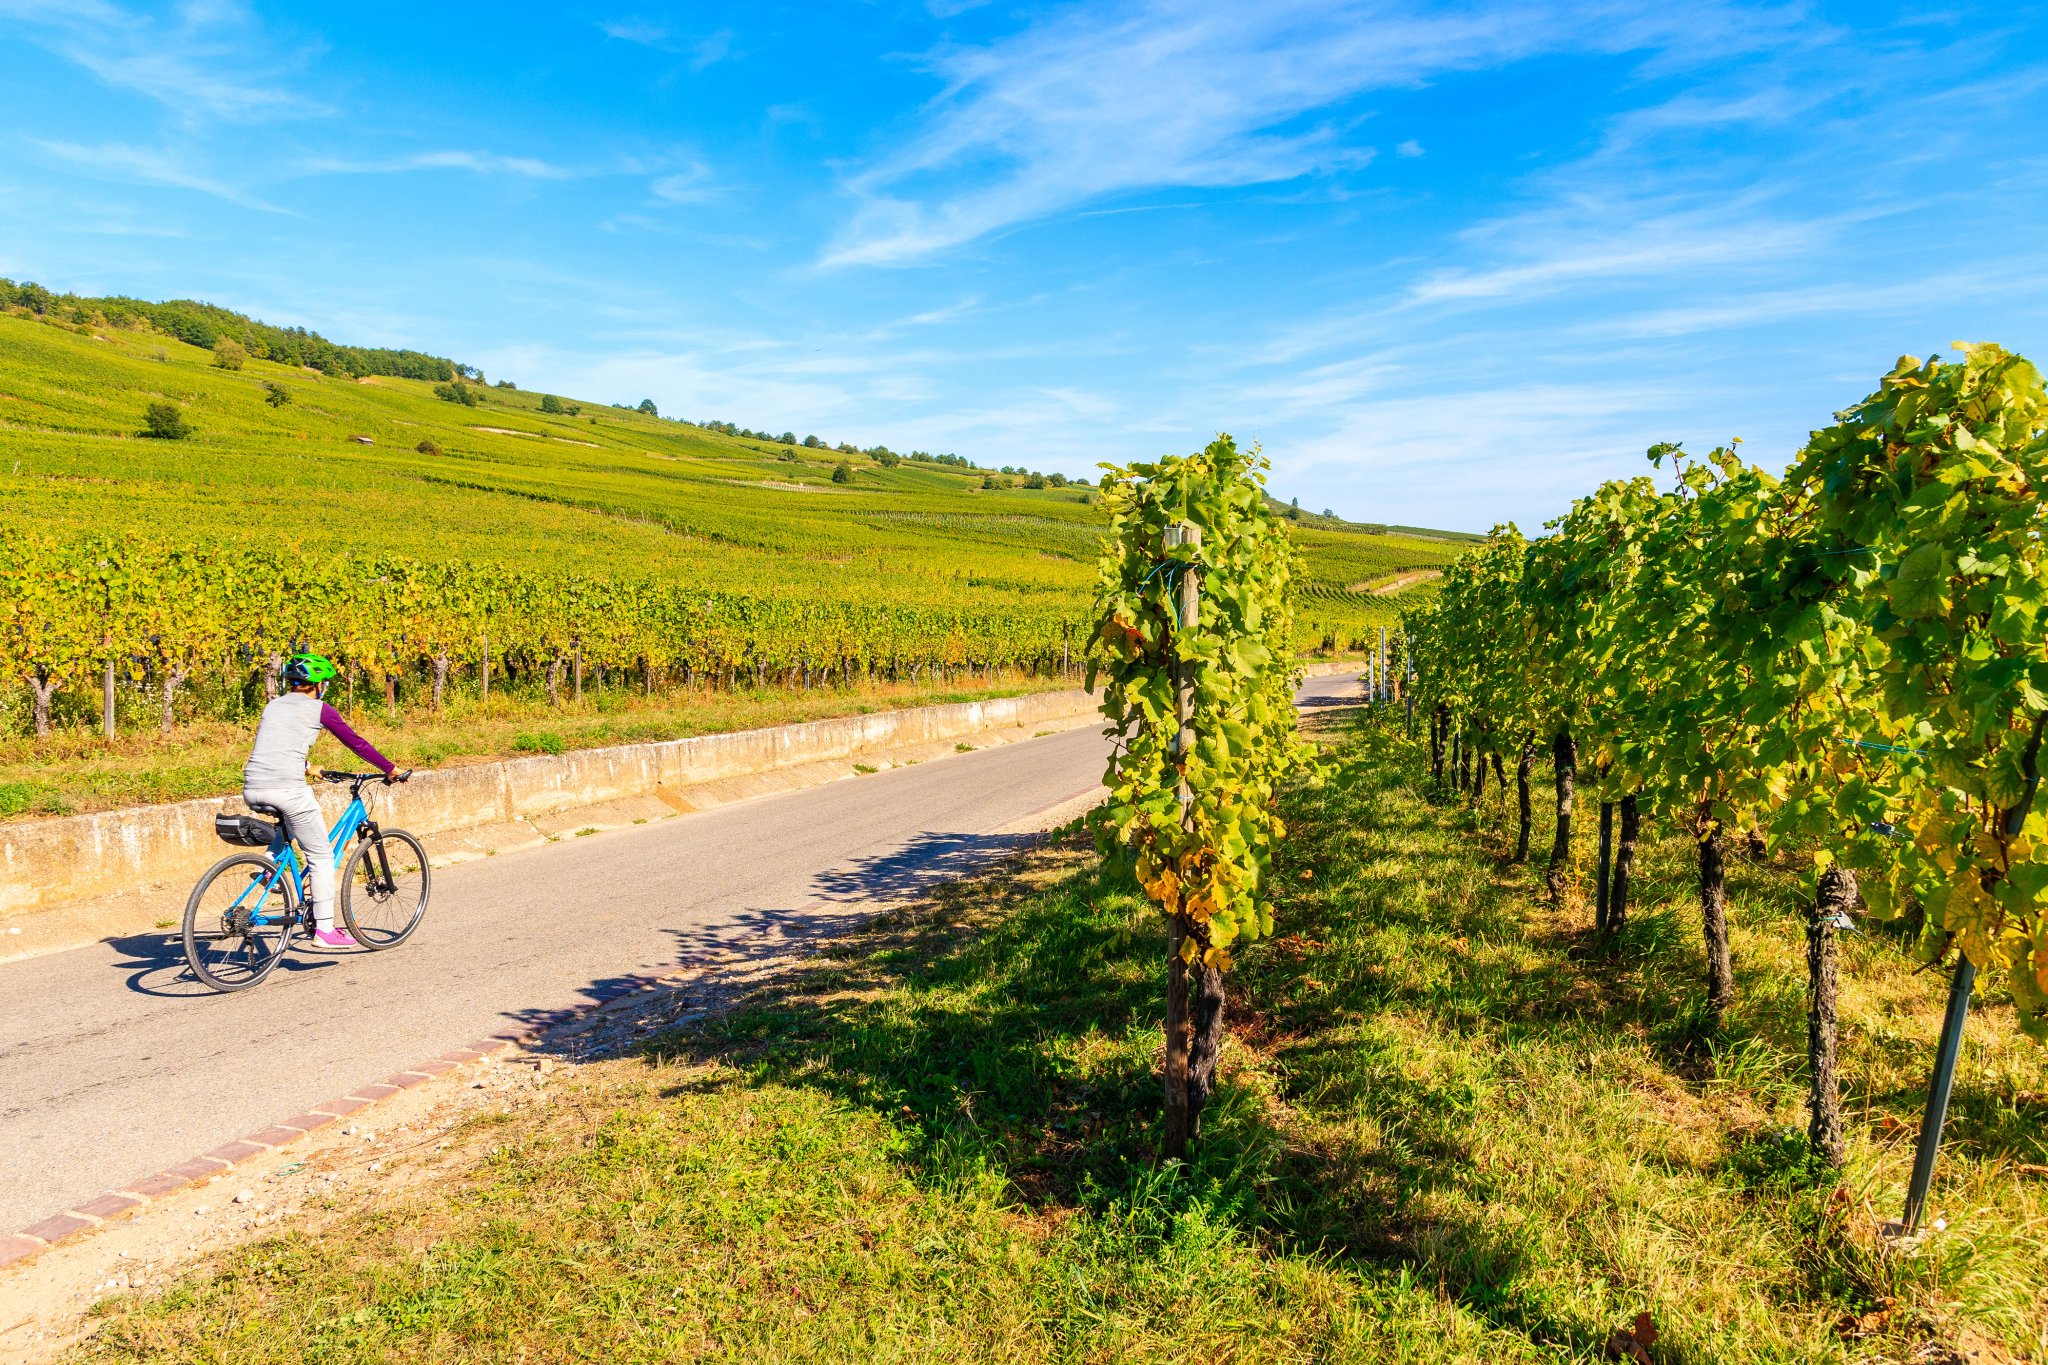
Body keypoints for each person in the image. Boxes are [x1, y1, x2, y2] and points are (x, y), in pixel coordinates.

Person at [242, 652, 407, 947]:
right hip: (286, 789)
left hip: (252, 786)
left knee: (290, 820)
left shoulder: (273, 706)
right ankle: (325, 931)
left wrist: (308, 767)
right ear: (318, 684)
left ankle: (269, 868)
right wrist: (389, 769)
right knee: (321, 857)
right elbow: (356, 743)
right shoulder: (320, 709)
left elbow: (274, 747)